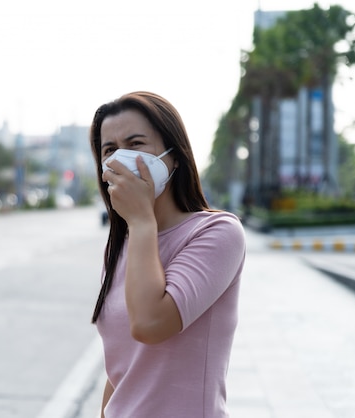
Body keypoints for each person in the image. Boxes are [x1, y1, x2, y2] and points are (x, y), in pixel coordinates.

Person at [89, 91, 246, 418]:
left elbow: (150, 324)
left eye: (135, 144)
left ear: (174, 157)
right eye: (110, 150)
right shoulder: (123, 246)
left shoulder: (217, 232)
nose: (122, 159)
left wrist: (142, 220)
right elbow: (122, 372)